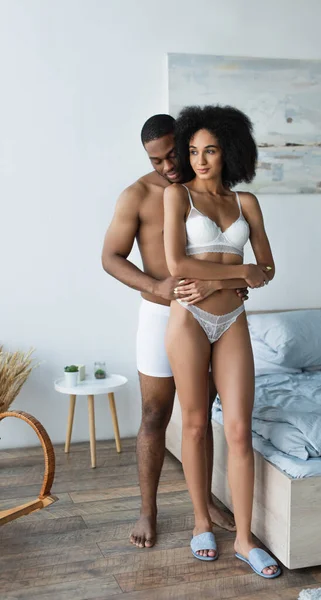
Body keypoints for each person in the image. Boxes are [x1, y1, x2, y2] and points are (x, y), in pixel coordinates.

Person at [102, 114, 246, 549]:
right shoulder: (139, 195)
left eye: (172, 154)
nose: (167, 166)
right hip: (163, 315)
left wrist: (232, 282)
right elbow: (110, 256)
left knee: (201, 414)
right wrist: (155, 286)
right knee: (154, 415)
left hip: (212, 316)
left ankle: (206, 506)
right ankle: (148, 509)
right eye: (156, 159)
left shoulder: (208, 193)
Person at [163, 105, 281, 578]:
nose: (200, 160)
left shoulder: (246, 202)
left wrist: (222, 282)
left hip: (232, 319)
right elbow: (176, 265)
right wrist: (235, 274)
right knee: (193, 424)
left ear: (229, 151)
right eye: (193, 151)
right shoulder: (178, 196)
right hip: (188, 318)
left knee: (238, 430)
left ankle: (246, 539)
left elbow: (268, 270)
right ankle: (200, 522)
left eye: (210, 150)